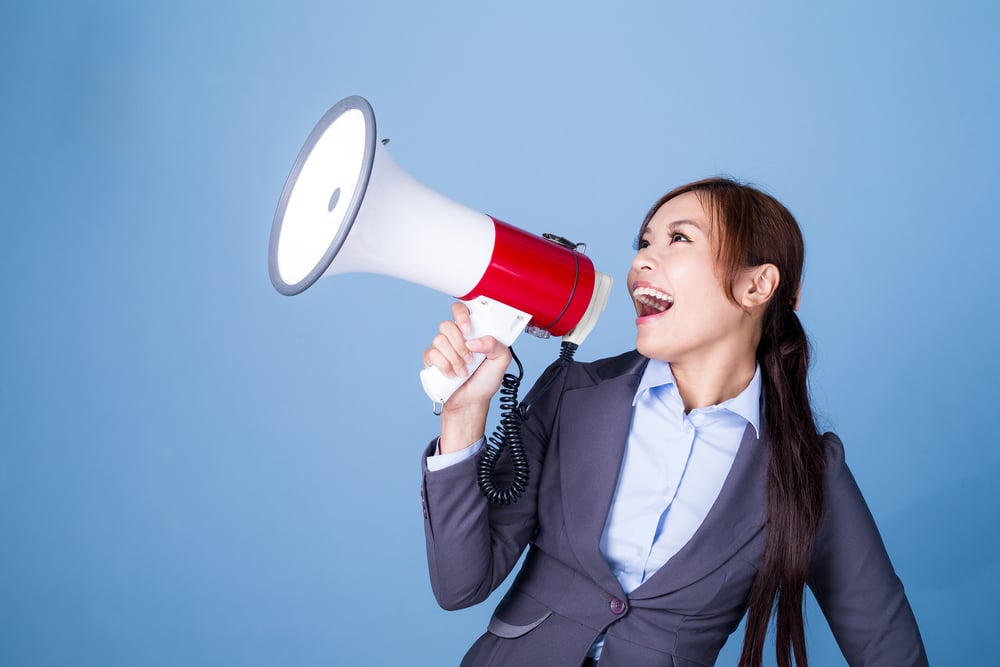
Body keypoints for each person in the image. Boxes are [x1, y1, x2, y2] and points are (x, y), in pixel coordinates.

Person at [419, 177, 927, 666]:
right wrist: (465, 415)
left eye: (678, 238)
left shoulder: (809, 470)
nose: (642, 259)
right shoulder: (572, 394)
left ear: (757, 285)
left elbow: (885, 638)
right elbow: (460, 584)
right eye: (643, 242)